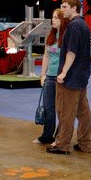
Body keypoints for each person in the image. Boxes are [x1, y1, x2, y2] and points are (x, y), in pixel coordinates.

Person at [47, 0, 91, 155]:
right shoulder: (84, 25)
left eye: (65, 6)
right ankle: (84, 143)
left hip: (71, 76)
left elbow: (71, 51)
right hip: (82, 75)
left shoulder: (73, 26)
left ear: (74, 8)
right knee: (83, 111)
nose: (62, 9)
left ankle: (62, 144)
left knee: (66, 111)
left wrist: (63, 72)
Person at [33, 8, 68, 145]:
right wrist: (43, 75)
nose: (53, 20)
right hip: (50, 77)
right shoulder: (50, 35)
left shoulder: (67, 36)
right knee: (48, 107)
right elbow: (46, 56)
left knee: (62, 109)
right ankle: (47, 135)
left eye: (56, 17)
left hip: (62, 78)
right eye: (52, 17)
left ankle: (60, 137)